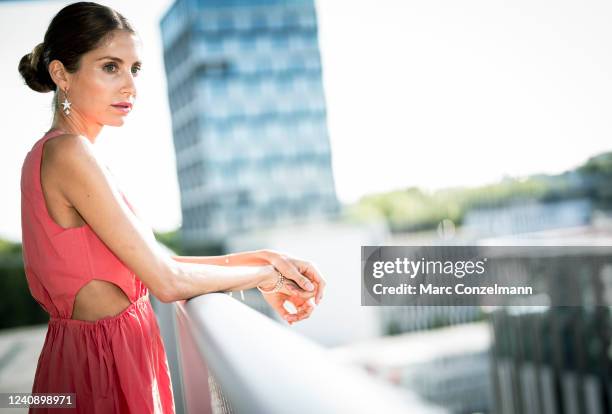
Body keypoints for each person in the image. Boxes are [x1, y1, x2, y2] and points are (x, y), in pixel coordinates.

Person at [17, 2, 326, 413]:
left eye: (135, 68)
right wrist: (266, 277)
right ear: (61, 74)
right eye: (110, 66)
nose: (130, 86)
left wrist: (265, 258)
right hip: (102, 369)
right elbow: (166, 280)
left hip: (92, 360)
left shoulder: (59, 153)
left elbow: (148, 265)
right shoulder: (69, 153)